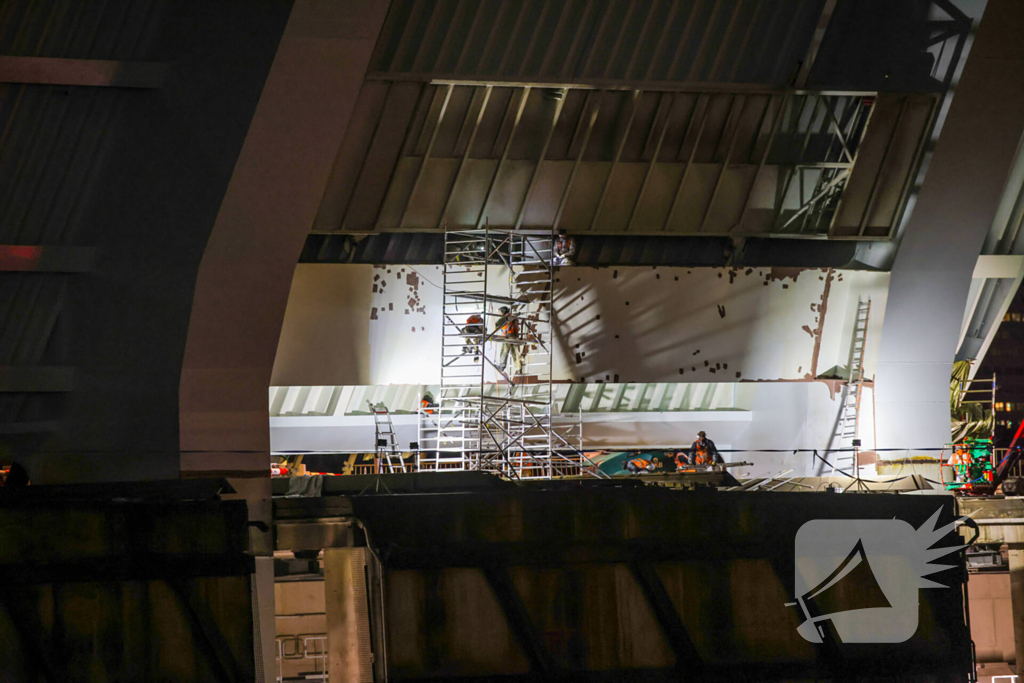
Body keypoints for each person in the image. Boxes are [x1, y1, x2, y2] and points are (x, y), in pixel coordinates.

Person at [494, 306, 520, 375]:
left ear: (503, 312)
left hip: (508, 337)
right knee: (515, 353)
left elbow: (496, 324)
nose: (500, 313)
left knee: (504, 352)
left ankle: (501, 367)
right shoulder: (513, 317)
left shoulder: (505, 318)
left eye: (500, 312)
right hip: (515, 337)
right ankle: (519, 368)